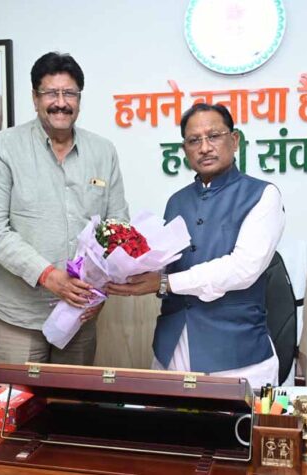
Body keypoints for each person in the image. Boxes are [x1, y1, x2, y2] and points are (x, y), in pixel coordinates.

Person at [107, 103, 285, 389]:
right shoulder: (177, 202)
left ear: (234, 140)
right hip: (172, 349)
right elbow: (165, 264)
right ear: (185, 149)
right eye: (194, 140)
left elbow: (243, 269)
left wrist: (164, 283)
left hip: (237, 355)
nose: (204, 148)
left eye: (213, 136)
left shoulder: (263, 195)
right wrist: (118, 268)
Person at [0, 52, 129, 365]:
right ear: (35, 98)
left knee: (70, 397)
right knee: (18, 396)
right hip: (18, 317)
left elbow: (118, 226)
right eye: (51, 93)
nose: (61, 103)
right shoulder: (4, 147)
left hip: (79, 313)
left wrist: (101, 291)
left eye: (69, 93)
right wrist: (47, 275)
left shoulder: (103, 151)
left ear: (79, 99)